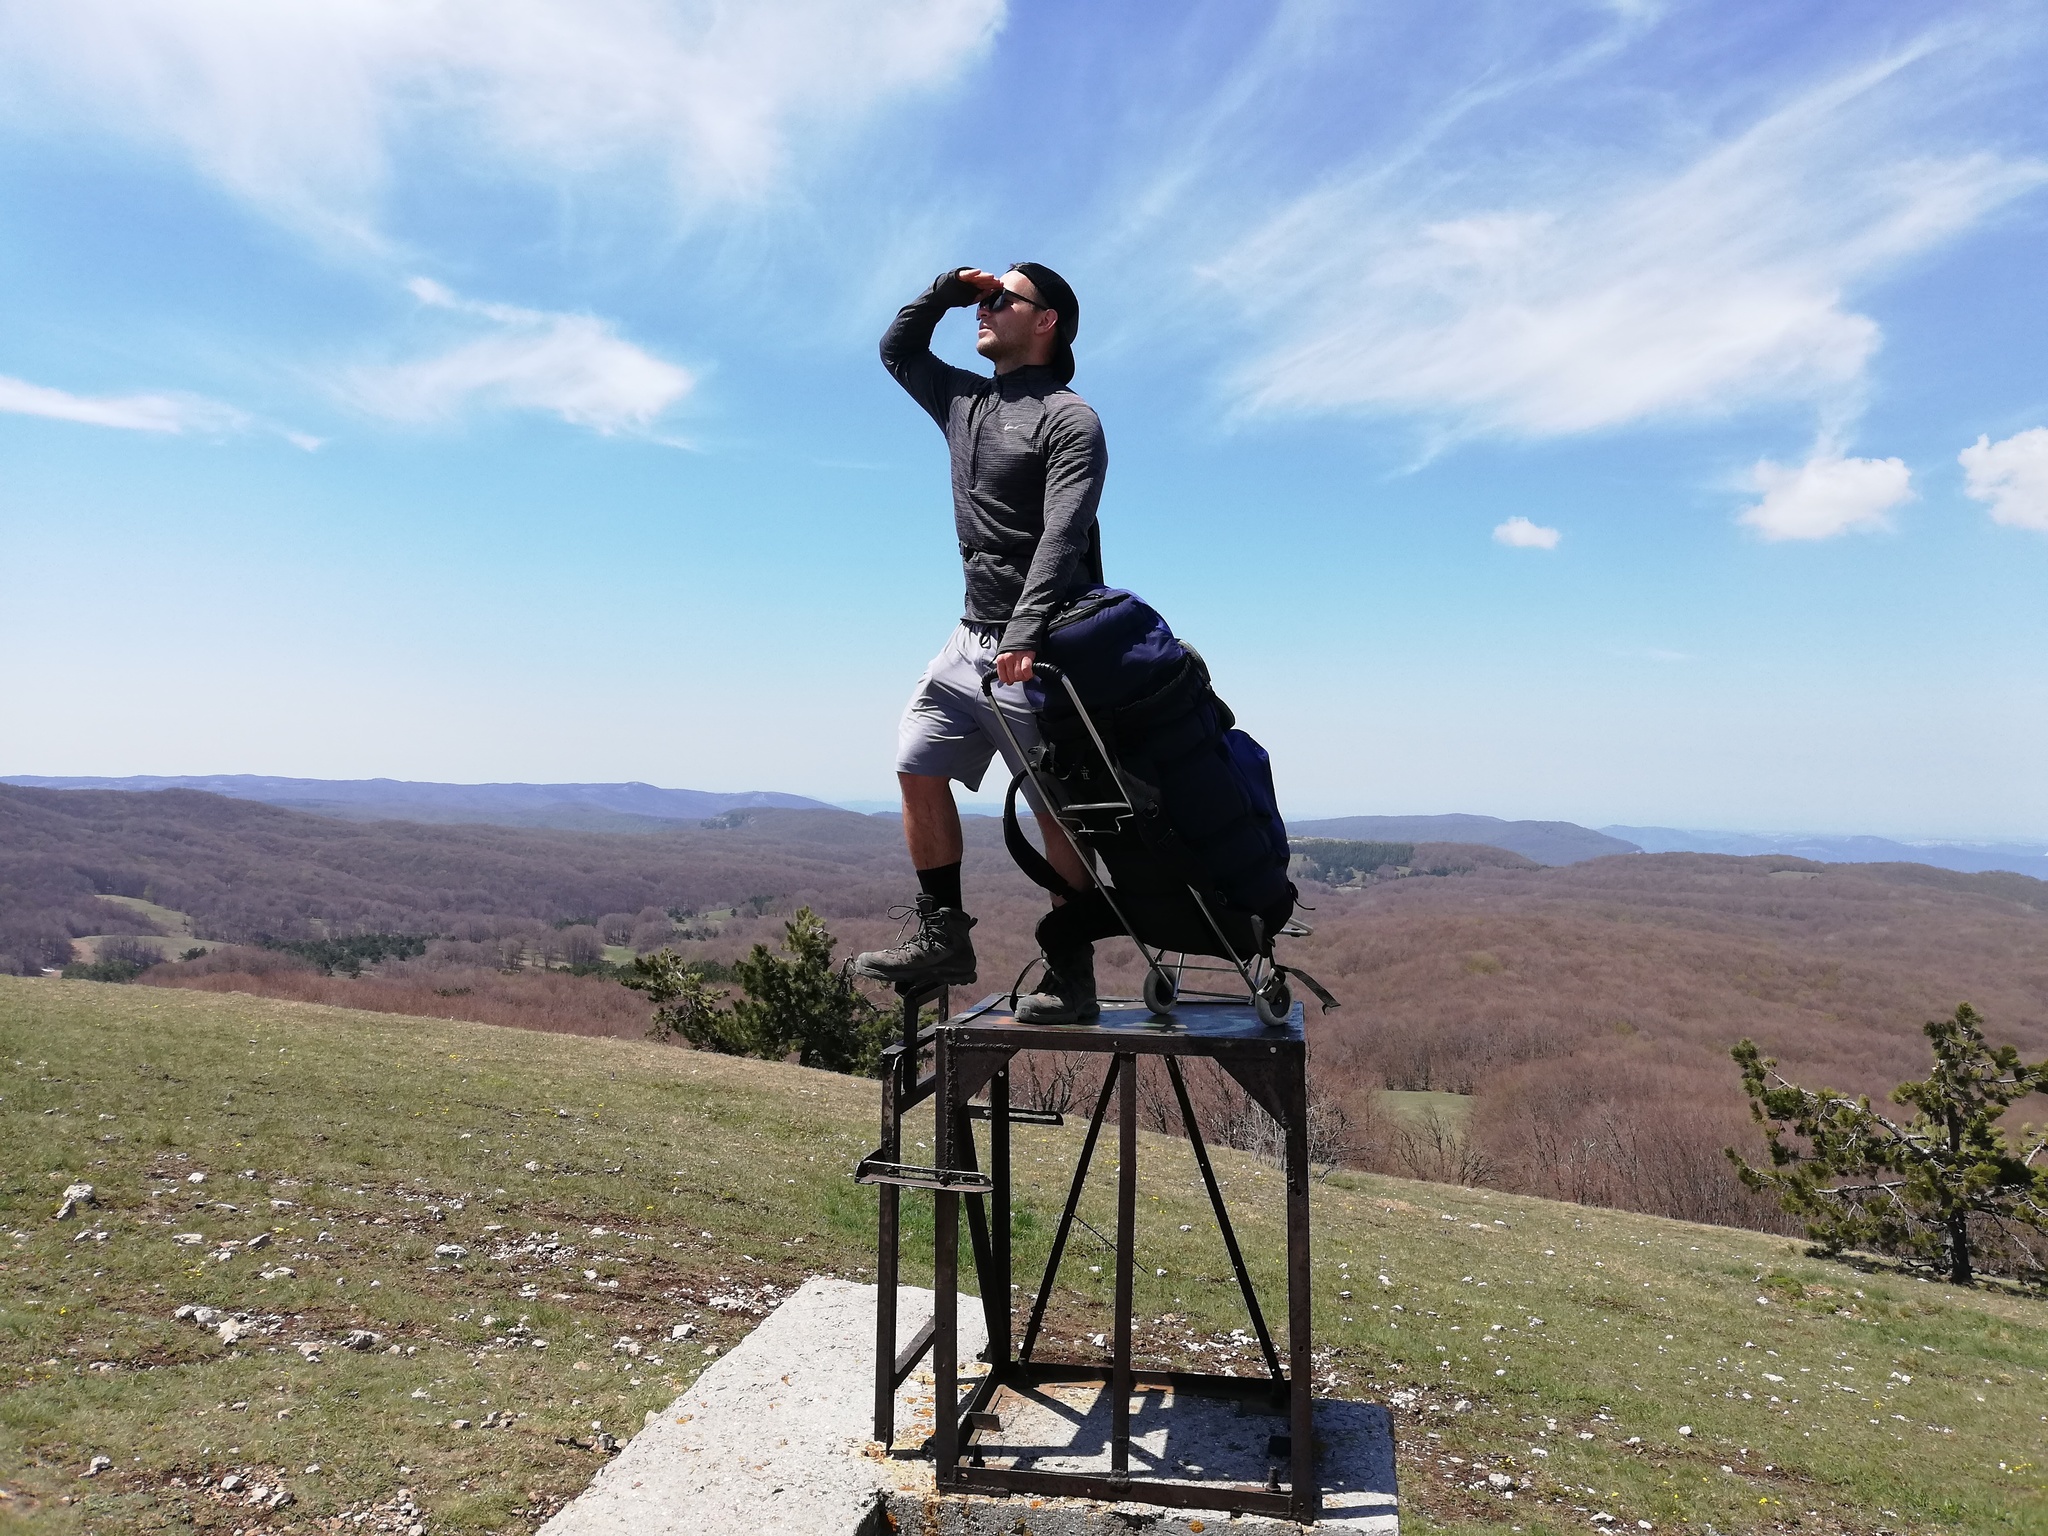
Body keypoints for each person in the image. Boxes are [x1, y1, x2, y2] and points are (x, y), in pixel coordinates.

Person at [852, 262, 1107, 1024]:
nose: (985, 311)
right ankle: (943, 937)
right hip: (969, 640)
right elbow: (898, 350)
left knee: (1056, 811)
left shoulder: (1070, 419)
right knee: (916, 763)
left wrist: (1025, 634)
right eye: (983, 301)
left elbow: (1064, 533)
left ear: (1048, 320)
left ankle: (1073, 977)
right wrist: (947, 289)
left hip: (1045, 646)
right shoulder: (965, 400)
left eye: (1003, 301)